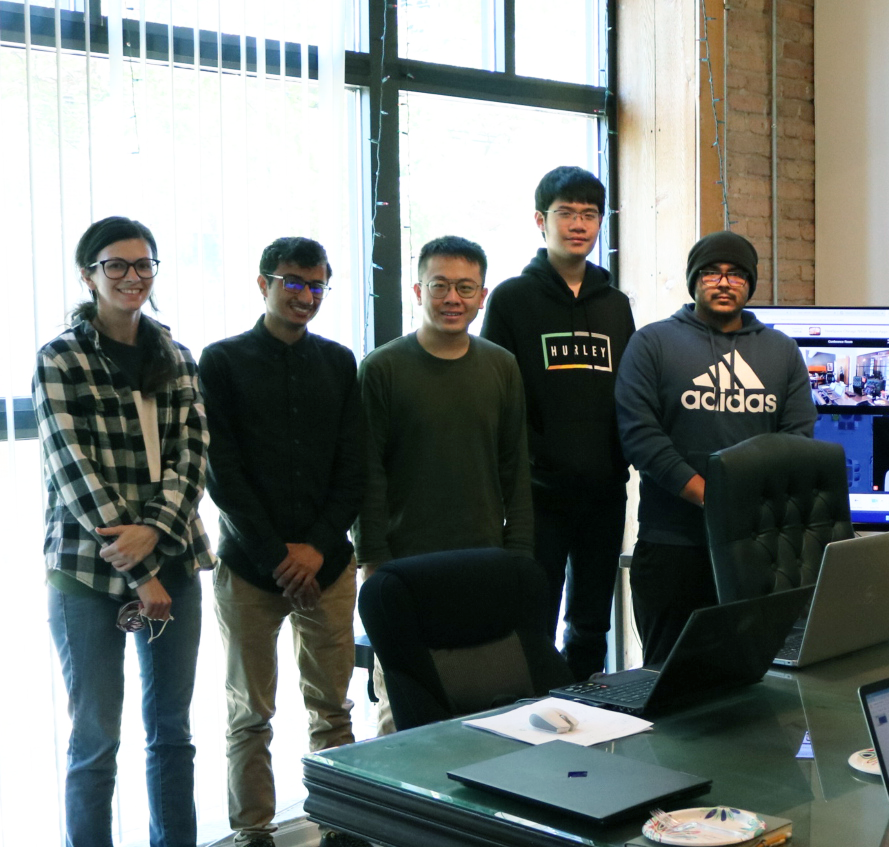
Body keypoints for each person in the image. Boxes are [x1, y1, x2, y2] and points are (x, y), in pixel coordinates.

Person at [36, 216, 214, 847]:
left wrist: (156, 539)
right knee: (96, 740)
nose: (132, 277)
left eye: (143, 265)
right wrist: (139, 569)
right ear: (90, 274)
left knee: (172, 730)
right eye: (116, 265)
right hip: (88, 574)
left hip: (175, 565)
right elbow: (74, 471)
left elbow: (194, 457)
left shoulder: (178, 355)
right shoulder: (60, 359)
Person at [199, 237, 368, 847]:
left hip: (328, 566)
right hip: (249, 567)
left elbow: (354, 466)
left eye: (317, 285)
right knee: (250, 716)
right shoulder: (220, 362)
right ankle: (254, 834)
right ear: (263, 283)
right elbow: (222, 474)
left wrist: (318, 548)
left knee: (333, 711)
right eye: (292, 283)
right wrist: (279, 555)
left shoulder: (339, 361)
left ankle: (343, 825)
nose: (305, 296)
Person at [354, 236, 537, 730]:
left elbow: (514, 467)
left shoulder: (500, 366)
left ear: (482, 295)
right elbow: (367, 476)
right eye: (440, 286)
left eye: (465, 287)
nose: (452, 298)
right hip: (403, 570)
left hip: (482, 562)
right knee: (403, 712)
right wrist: (373, 563)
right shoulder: (381, 369)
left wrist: (518, 556)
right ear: (418, 290)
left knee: (484, 702)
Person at [614, 231, 816, 665]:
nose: (724, 282)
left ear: (750, 283)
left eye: (737, 274)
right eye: (711, 272)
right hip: (673, 547)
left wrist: (745, 505)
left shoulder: (781, 351)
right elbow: (641, 437)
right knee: (670, 681)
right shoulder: (652, 344)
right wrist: (711, 497)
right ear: (694, 281)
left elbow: (797, 438)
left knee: (755, 679)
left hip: (758, 548)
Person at [481, 167, 634, 681]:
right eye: (566, 213)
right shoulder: (510, 299)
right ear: (540, 221)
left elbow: (628, 394)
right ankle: (532, 720)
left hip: (605, 490)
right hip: (536, 494)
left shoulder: (616, 306)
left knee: (591, 623)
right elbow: (497, 395)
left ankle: (588, 713)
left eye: (589, 214)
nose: (578, 224)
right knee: (533, 618)